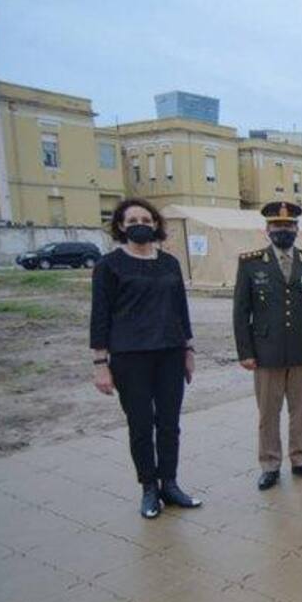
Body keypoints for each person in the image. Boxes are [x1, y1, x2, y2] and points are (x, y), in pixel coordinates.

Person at [91, 197, 202, 519]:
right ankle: (149, 489)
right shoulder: (108, 265)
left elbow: (181, 309)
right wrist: (101, 365)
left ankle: (170, 483)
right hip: (129, 356)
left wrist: (189, 350)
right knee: (141, 425)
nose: (140, 224)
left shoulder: (169, 263)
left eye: (146, 219)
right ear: (121, 227)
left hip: (170, 352)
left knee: (169, 424)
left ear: (155, 224)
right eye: (132, 220)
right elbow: (100, 317)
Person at [233, 201, 302, 490]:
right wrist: (246, 352)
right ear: (267, 229)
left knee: (300, 409)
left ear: (297, 229)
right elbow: (241, 312)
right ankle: (270, 463)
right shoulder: (250, 263)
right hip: (266, 351)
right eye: (277, 226)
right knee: (268, 412)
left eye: (288, 226)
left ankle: (300, 458)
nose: (283, 230)